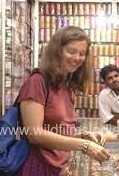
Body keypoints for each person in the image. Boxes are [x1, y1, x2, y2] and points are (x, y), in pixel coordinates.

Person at [18, 26, 110, 175]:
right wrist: (84, 145)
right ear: (57, 51)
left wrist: (83, 136)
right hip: (39, 167)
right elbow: (35, 134)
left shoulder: (67, 86)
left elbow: (56, 131)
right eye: (71, 51)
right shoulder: (37, 82)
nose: (77, 58)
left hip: (59, 167)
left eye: (82, 54)